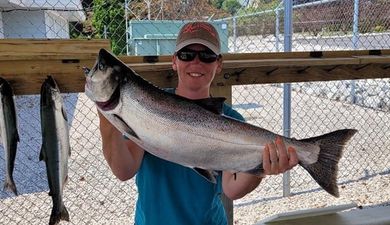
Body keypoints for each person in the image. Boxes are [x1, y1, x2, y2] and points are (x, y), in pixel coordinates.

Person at [98, 21, 299, 225]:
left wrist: (263, 168)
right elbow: (124, 170)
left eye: (207, 55)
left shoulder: (231, 120)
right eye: (187, 55)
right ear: (174, 61)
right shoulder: (149, 105)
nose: (196, 62)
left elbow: (232, 188)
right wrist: (108, 118)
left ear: (218, 64)